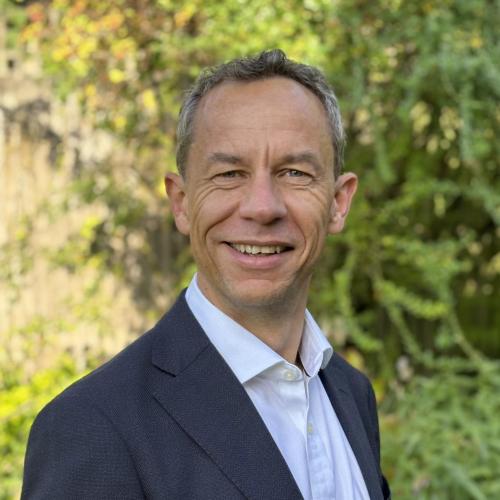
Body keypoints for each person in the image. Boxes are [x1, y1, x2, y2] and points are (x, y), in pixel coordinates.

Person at [22, 49, 391, 500]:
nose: (262, 207)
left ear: (338, 202)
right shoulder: (92, 428)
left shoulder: (351, 395)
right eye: (229, 174)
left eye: (294, 172)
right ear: (181, 202)